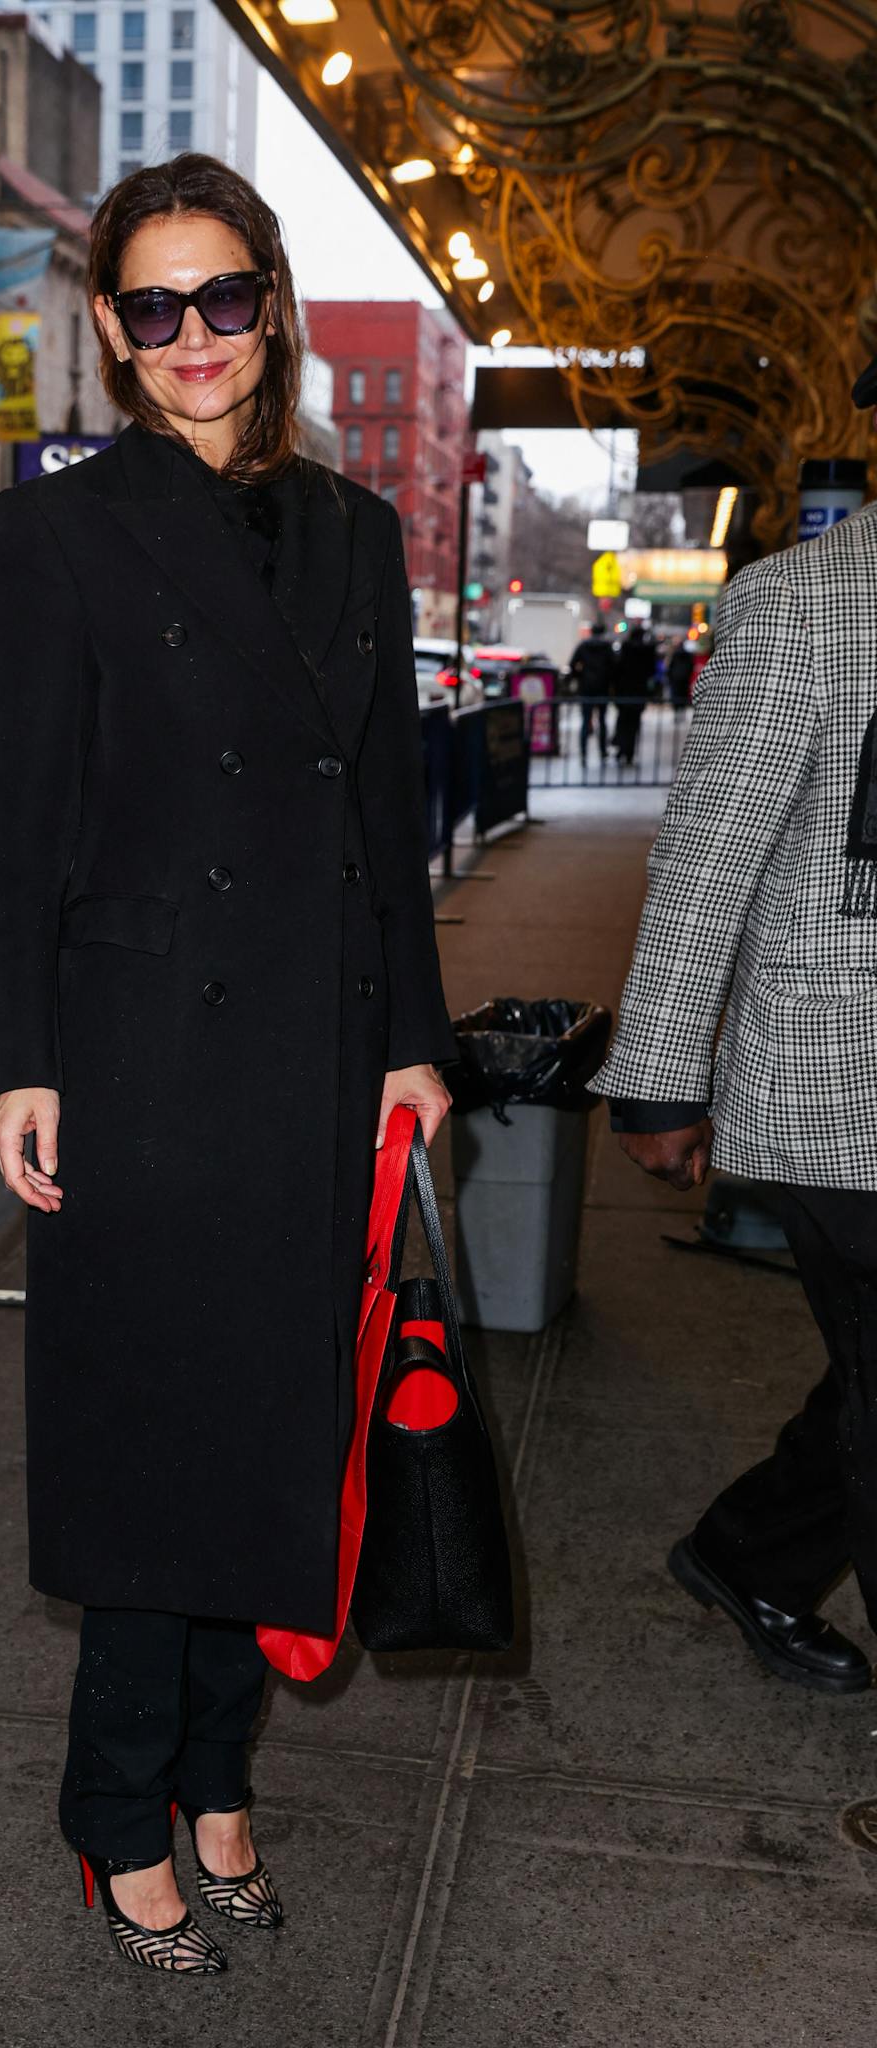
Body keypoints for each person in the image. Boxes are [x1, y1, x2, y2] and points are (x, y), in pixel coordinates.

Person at [0, 154, 455, 1976]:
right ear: (110, 327)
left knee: (271, 1435)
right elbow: (27, 826)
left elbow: (379, 818)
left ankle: (214, 1775)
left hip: (315, 1054)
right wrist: (21, 1055)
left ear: (273, 304)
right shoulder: (64, 529)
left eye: (224, 298)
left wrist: (409, 1038)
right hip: (146, 1051)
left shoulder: (352, 530)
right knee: (154, 1449)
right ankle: (118, 1811)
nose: (193, 339)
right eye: (153, 308)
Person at [591, 347, 877, 1697]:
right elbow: (709, 860)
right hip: (843, 1088)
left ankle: (751, 1552)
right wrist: (656, 1080)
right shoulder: (806, 606)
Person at [611, 622, 655, 765]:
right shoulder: (646, 651)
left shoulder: (625, 648)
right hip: (639, 692)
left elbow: (617, 669)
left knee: (623, 720)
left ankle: (620, 749)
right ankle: (629, 752)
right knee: (634, 723)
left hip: (623, 691)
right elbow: (651, 670)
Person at [568, 620, 613, 760]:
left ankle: (583, 751)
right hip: (603, 687)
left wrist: (579, 677)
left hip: (586, 687)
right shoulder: (607, 647)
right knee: (602, 720)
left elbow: (572, 664)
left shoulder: (583, 646)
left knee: (585, 720)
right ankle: (602, 751)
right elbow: (614, 666)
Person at [666, 636, 695, 712]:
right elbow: (691, 667)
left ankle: (677, 712)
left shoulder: (675, 654)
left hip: (675, 679)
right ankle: (681, 712)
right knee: (683, 697)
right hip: (685, 679)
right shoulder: (688, 655)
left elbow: (670, 667)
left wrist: (670, 677)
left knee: (676, 696)